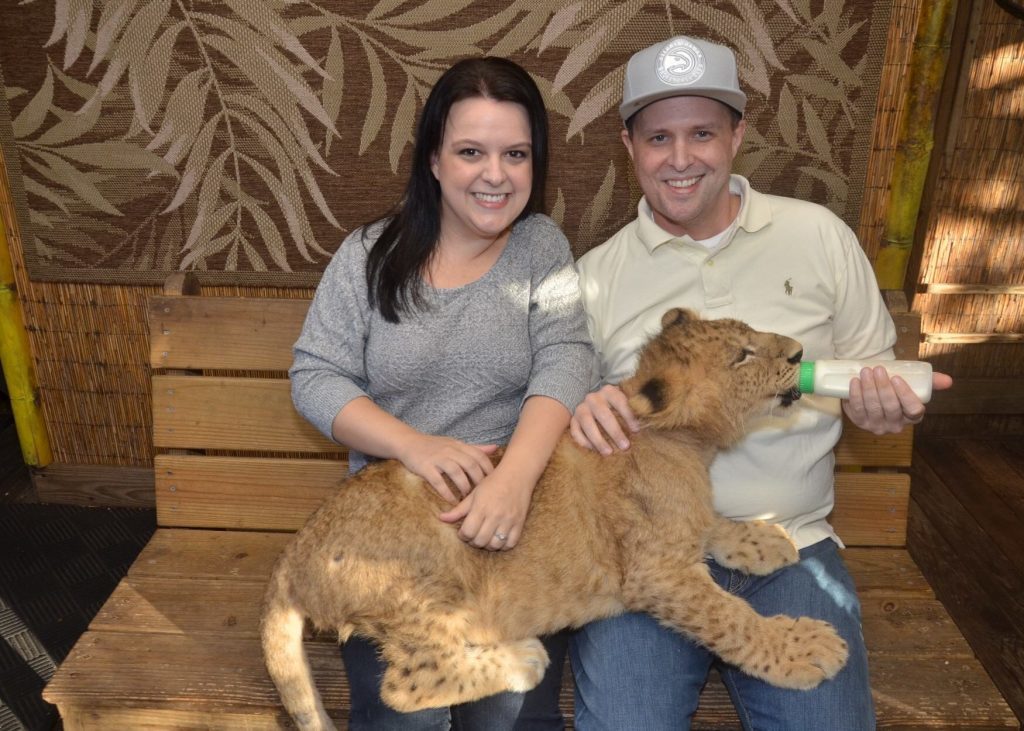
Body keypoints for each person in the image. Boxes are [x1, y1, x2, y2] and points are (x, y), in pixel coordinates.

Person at [567, 36, 953, 731]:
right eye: (659, 137)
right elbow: (568, 432)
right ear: (629, 145)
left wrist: (883, 409)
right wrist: (583, 411)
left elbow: (870, 375)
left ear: (737, 135)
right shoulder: (596, 275)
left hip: (793, 549)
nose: (680, 159)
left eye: (702, 134)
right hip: (650, 553)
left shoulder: (819, 238)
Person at [289, 57, 592, 730]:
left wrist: (513, 480)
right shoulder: (368, 255)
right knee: (410, 715)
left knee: (510, 711)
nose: (496, 174)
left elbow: (568, 359)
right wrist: (415, 447)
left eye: (516, 153)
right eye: (470, 152)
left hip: (512, 534)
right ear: (433, 159)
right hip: (395, 541)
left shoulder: (542, 246)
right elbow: (315, 375)